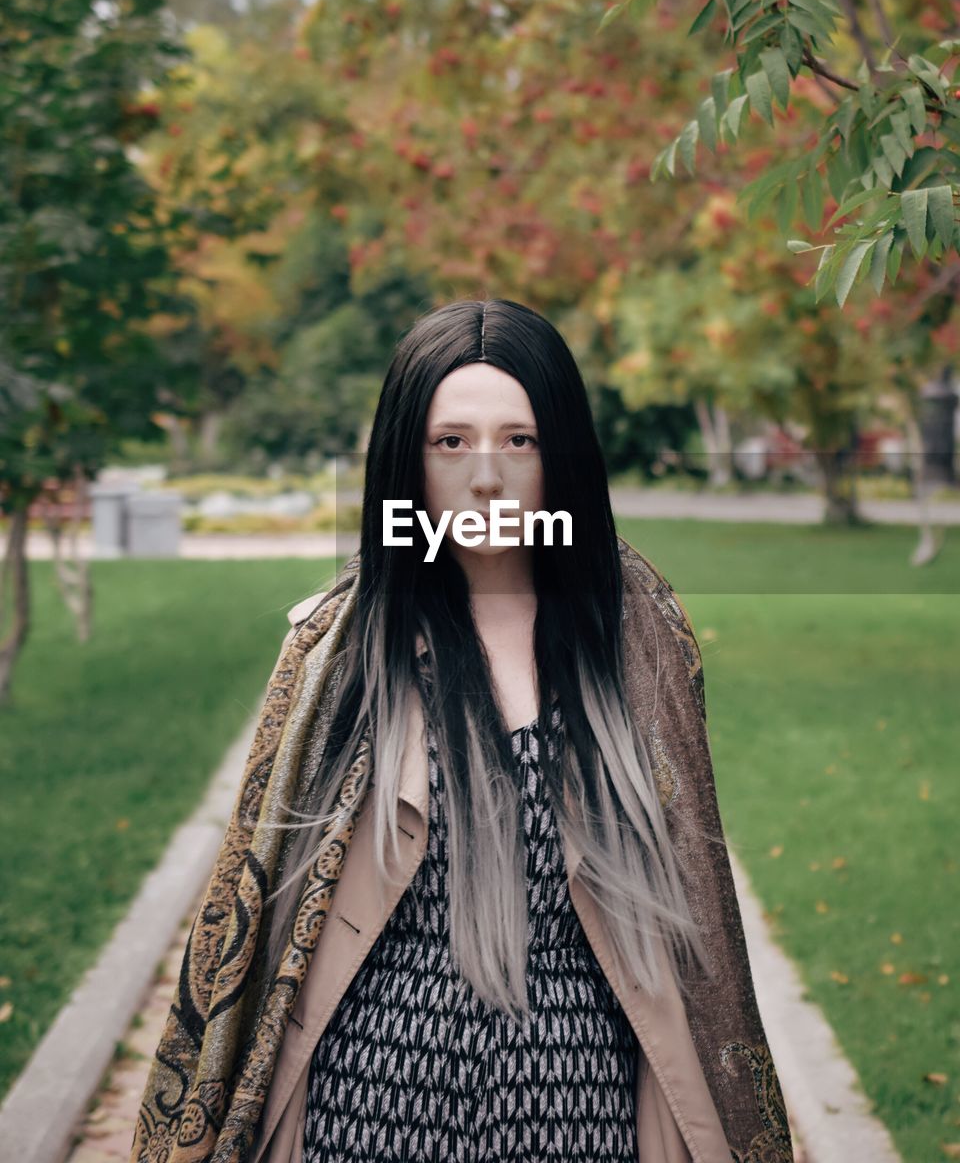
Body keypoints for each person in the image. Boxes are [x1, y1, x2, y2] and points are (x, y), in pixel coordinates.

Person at [130, 298, 793, 1163]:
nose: (487, 476)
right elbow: (253, 922)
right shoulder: (338, 649)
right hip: (367, 1107)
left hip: (577, 1109)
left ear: (566, 457)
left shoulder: (637, 638)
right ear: (407, 460)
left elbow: (699, 913)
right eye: (452, 442)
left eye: (521, 440)